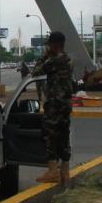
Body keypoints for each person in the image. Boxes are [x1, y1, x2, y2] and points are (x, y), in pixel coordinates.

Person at [31, 31, 73, 185]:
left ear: (54, 45)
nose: (48, 46)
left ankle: (52, 171)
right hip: (66, 105)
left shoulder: (53, 61)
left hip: (54, 106)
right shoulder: (68, 60)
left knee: (50, 137)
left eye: (49, 44)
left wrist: (45, 56)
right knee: (64, 136)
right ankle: (65, 171)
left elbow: (35, 72)